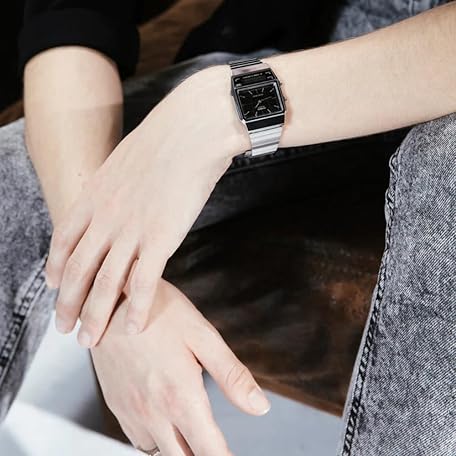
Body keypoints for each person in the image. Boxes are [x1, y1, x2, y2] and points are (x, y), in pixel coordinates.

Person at [0, 1, 455, 455]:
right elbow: (68, 17)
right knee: (16, 172)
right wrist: (111, 296)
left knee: (442, 170)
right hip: (308, 55)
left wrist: (223, 109)